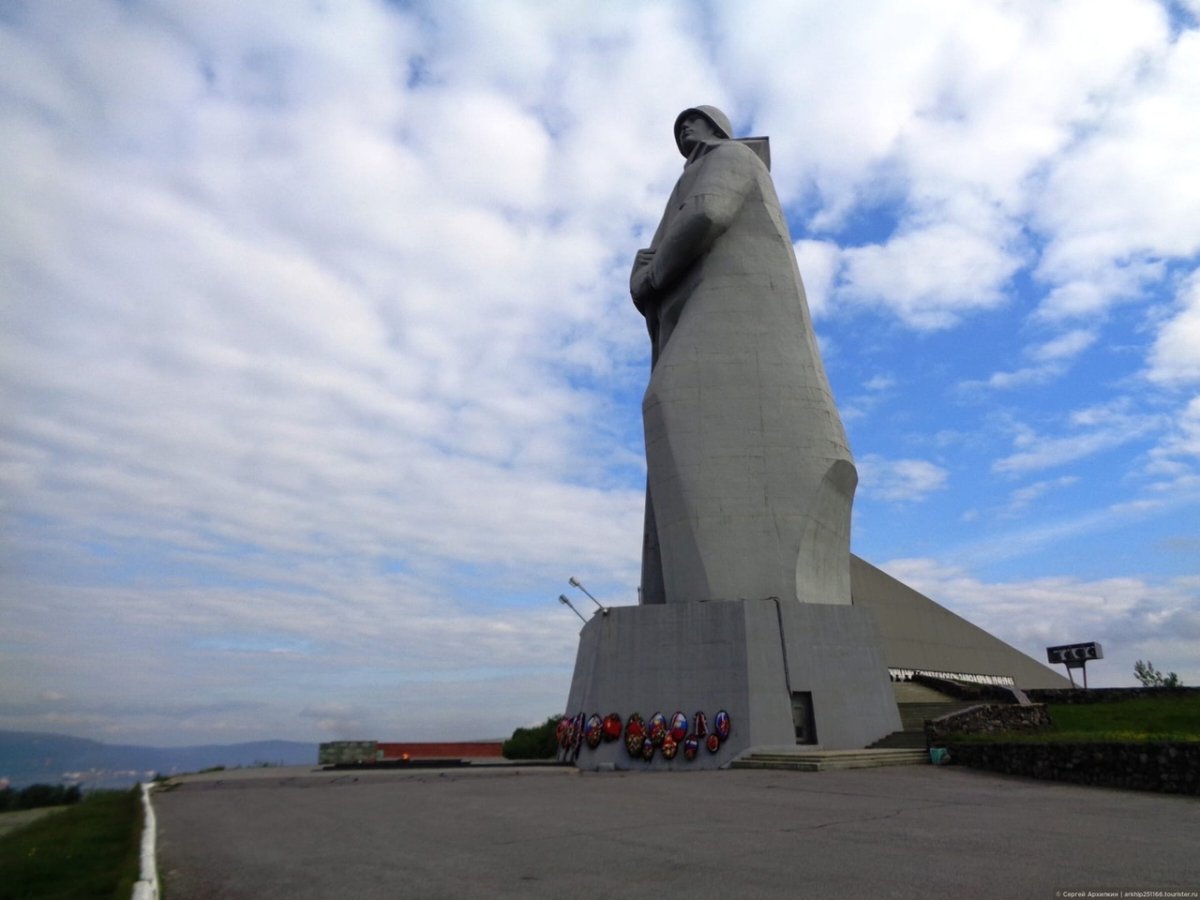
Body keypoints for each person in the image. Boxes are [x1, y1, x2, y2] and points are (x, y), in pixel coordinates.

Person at [631, 106, 857, 607]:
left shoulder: (729, 156)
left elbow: (708, 212)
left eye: (693, 122)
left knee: (672, 401)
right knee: (669, 405)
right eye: (679, 126)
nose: (684, 130)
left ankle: (720, 591)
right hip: (710, 316)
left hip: (733, 320)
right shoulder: (695, 172)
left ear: (717, 129)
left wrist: (650, 275)